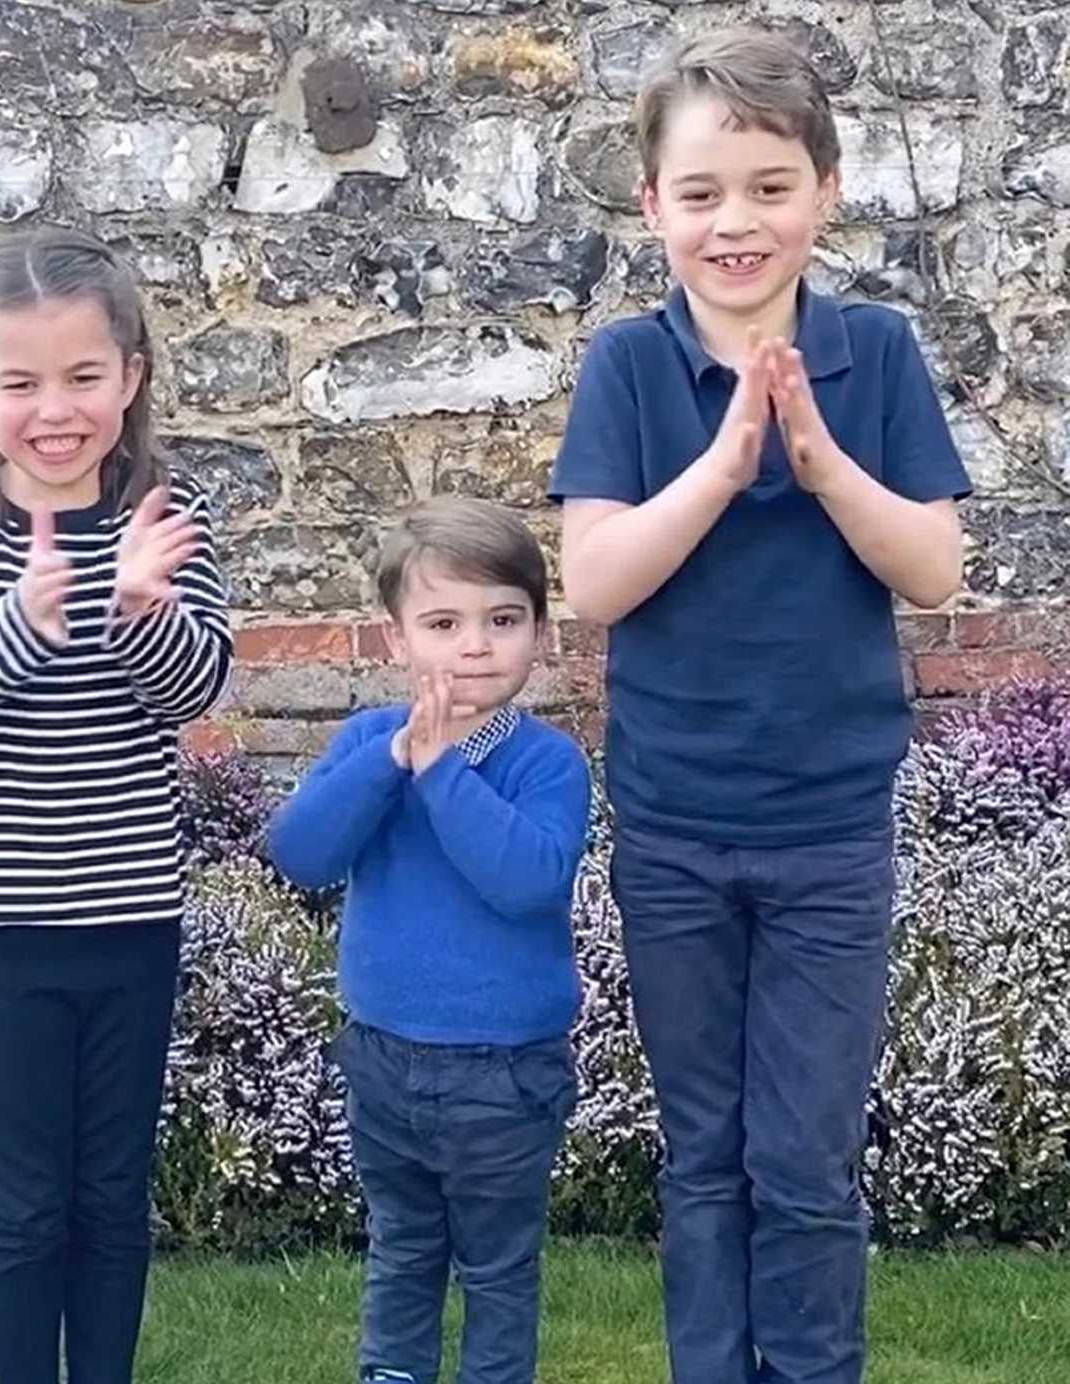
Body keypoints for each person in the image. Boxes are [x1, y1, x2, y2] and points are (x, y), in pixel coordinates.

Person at [550, 28, 971, 1384]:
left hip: (830, 837)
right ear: (653, 205)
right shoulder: (629, 368)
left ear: (826, 193)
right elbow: (595, 583)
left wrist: (821, 463)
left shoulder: (878, 355)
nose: (737, 221)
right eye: (703, 191)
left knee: (804, 1161)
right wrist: (724, 467)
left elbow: (936, 570)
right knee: (709, 1157)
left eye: (771, 185)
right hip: (675, 832)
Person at [0, 226, 233, 1384]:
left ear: (129, 375)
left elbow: (196, 688)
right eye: (22, 381)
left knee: (112, 1194)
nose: (56, 408)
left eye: (84, 376)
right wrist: (19, 622)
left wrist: (136, 607)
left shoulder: (166, 516)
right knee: (29, 1200)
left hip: (131, 918)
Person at [268, 497, 590, 1384]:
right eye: (444, 623)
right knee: (403, 1251)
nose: (475, 646)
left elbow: (525, 880)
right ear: (396, 638)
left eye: (502, 620)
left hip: (504, 1073)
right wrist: (393, 761)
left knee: (495, 1267)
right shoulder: (373, 742)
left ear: (538, 632)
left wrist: (444, 767)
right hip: (382, 1058)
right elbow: (300, 854)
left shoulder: (545, 762)